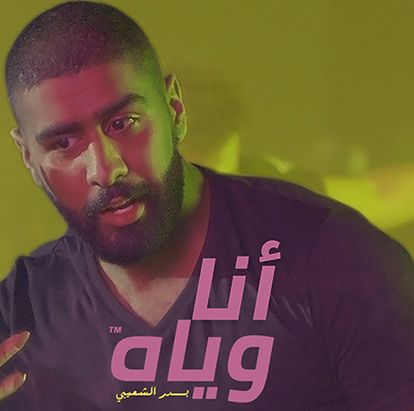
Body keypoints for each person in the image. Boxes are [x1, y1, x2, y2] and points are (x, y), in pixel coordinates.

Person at [1, 1, 414, 410]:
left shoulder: (331, 255)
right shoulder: (23, 307)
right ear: (28, 157)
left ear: (175, 111)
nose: (106, 170)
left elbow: (378, 193)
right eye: (64, 143)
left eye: (124, 124)